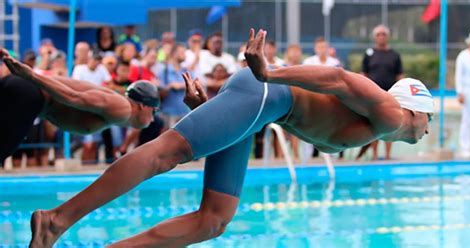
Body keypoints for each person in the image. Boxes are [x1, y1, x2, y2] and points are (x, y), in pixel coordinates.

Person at [28, 29, 433, 248]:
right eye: (428, 119)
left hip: (255, 108)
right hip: (265, 91)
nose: (429, 129)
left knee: (213, 222)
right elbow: (340, 78)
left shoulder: (380, 125)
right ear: (416, 110)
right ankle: (57, 220)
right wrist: (269, 73)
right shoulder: (390, 112)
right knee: (165, 154)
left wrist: (214, 108)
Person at [0, 49, 158, 163]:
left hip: (28, 92)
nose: (152, 120)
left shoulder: (119, 112)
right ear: (144, 106)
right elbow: (73, 97)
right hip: (29, 93)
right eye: (154, 112)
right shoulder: (122, 108)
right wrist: (32, 75)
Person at [356, 24, 404, 160]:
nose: (381, 37)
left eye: (383, 34)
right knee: (374, 124)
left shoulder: (394, 55)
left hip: (390, 95)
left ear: (387, 37)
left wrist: (402, 90)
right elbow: (363, 74)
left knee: (391, 124)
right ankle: (375, 155)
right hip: (373, 95)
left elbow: (400, 75)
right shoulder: (369, 54)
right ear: (375, 37)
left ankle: (388, 155)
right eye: (378, 34)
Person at [455, 30, 470, 158]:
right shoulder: (463, 56)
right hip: (468, 92)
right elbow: (459, 75)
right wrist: (460, 92)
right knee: (467, 118)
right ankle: (465, 146)